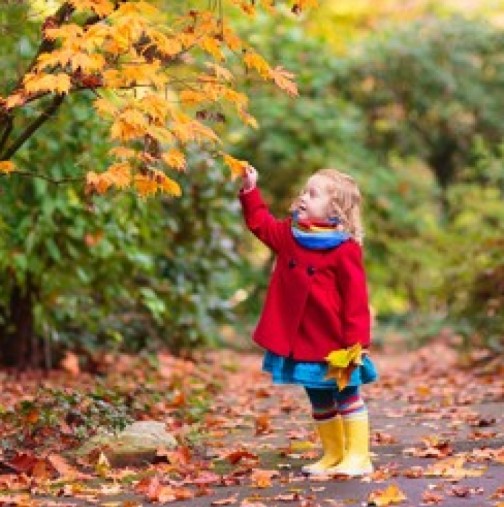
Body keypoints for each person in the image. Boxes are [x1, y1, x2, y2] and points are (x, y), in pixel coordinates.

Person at [239, 165, 378, 477]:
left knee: (346, 394)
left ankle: (358, 456)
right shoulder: (290, 235)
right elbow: (260, 224)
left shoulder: (345, 249)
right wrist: (251, 190)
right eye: (304, 190)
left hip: (335, 340)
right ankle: (333, 454)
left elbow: (356, 300)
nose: (303, 197)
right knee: (317, 394)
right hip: (302, 337)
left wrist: (357, 344)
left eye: (312, 194)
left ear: (334, 209)